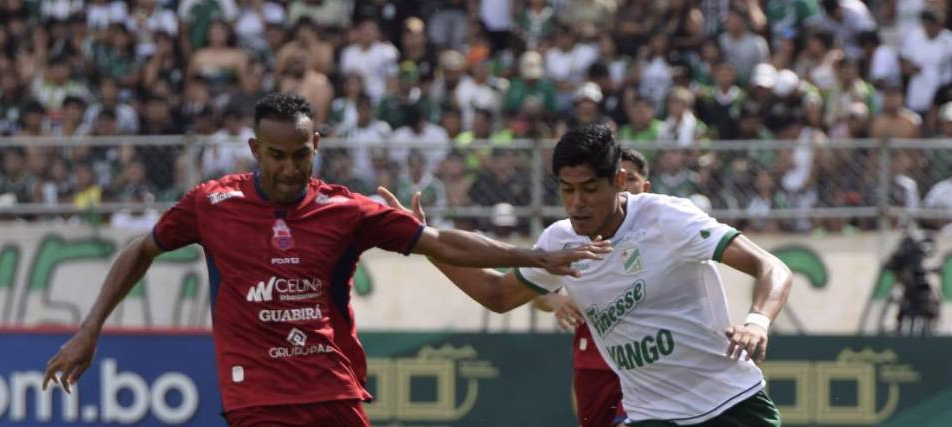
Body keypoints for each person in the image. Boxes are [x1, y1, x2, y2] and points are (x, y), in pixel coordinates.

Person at [41, 93, 610, 427]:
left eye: (301, 155)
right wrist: (90, 331)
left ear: (318, 147)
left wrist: (532, 255)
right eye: (277, 156)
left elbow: (438, 243)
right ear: (255, 151)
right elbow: (141, 249)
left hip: (335, 392)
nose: (290, 169)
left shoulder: (347, 210)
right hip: (258, 397)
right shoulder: (212, 204)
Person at [381, 124, 792, 426]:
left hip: (730, 404)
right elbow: (498, 294)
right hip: (652, 416)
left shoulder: (666, 218)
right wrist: (424, 243)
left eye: (589, 189)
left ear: (618, 182)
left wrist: (757, 321)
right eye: (566, 189)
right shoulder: (559, 241)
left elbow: (770, 266)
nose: (577, 203)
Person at [533, 148, 651, 427]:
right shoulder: (573, 237)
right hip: (593, 359)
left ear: (644, 186)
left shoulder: (660, 229)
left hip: (647, 359)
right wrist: (555, 301)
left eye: (632, 179)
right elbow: (531, 290)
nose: (626, 187)